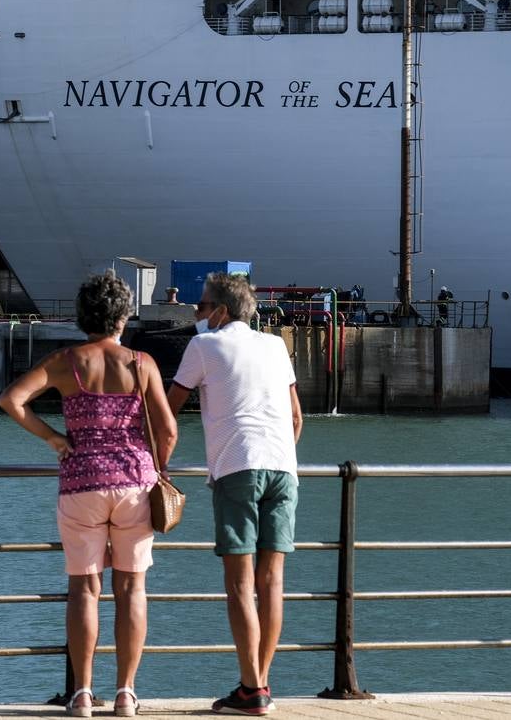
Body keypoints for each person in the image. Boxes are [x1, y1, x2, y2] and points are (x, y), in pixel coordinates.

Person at [0, 274, 178, 719]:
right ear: (123, 315)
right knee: (132, 586)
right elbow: (168, 430)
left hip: (81, 483)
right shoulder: (142, 363)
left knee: (84, 587)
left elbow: (12, 399)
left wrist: (55, 439)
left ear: (84, 315)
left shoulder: (65, 361)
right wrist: (155, 466)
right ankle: (125, 694)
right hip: (135, 483)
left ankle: (81, 694)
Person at [166, 273, 302, 717]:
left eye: (202, 306)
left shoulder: (204, 346)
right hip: (283, 467)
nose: (197, 314)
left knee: (240, 584)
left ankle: (252, 689)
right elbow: (297, 418)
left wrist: (155, 462)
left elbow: (170, 412)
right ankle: (259, 687)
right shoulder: (276, 346)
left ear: (221, 312)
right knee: (272, 582)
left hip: (236, 468)